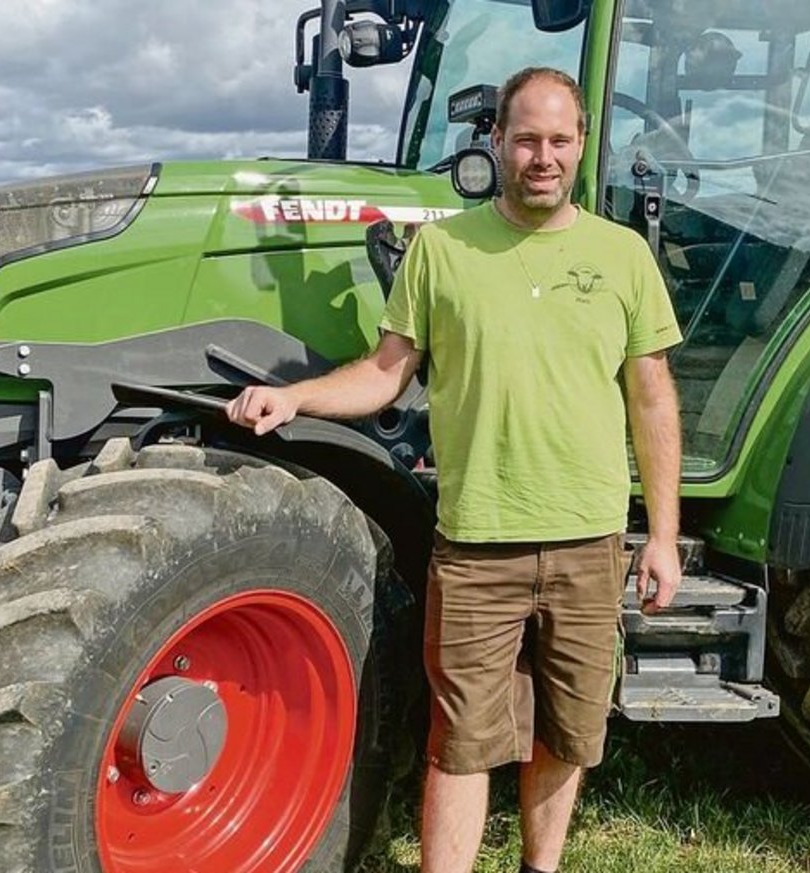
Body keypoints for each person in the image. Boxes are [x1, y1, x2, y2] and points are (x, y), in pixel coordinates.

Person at [226, 66, 683, 873]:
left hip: (588, 542)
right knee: (461, 742)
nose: (543, 157)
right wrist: (294, 396)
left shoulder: (622, 256)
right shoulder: (441, 251)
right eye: (527, 139)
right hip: (477, 545)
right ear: (497, 141)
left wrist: (664, 536)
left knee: (567, 733)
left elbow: (651, 398)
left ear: (581, 145)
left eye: (560, 140)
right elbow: (384, 374)